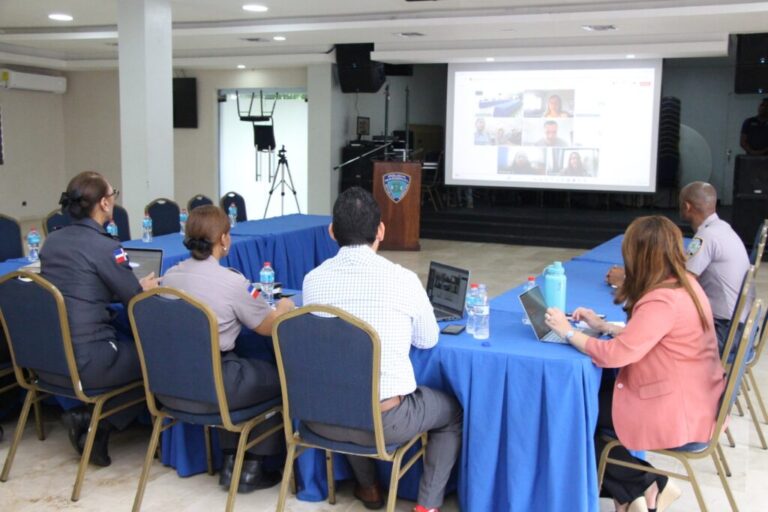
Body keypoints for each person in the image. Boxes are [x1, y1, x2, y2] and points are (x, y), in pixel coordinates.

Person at [546, 216, 725, 512]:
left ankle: (645, 484)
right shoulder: (686, 285)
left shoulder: (662, 300)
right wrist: (601, 326)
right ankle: (640, 489)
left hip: (676, 409)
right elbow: (651, 337)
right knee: (585, 408)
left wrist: (567, 332)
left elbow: (614, 356)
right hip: (695, 399)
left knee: (571, 415)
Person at [302, 187, 462, 512]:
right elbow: (427, 340)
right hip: (385, 423)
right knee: (452, 412)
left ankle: (368, 487)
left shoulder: (312, 280)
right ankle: (427, 506)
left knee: (345, 387)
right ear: (381, 231)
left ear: (331, 231)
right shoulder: (403, 279)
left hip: (319, 417)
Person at [161, 205, 295, 493]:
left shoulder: (170, 276)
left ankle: (231, 460)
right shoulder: (233, 282)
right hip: (215, 384)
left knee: (240, 374)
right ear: (223, 239)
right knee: (279, 381)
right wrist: (284, 307)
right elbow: (267, 327)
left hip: (171, 382)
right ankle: (254, 466)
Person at [41, 171, 160, 466]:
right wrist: (143, 289)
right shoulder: (106, 246)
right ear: (105, 203)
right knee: (158, 360)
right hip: (90, 360)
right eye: (112, 194)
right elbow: (134, 301)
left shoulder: (52, 241)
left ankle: (91, 423)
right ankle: (98, 423)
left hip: (50, 358)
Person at [606, 182, 750, 351]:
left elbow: (680, 283)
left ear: (686, 206)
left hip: (725, 331)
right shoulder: (722, 228)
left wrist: (627, 280)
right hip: (737, 325)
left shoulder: (707, 236)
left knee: (652, 338)